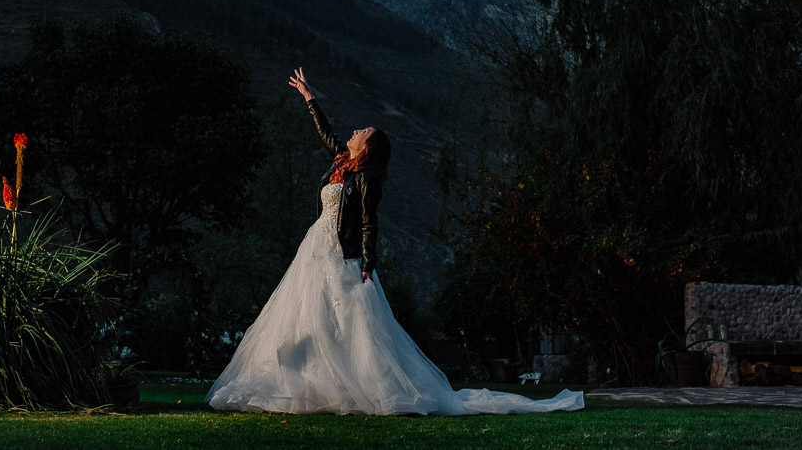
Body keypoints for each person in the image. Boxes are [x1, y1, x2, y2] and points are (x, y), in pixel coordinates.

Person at [205, 68, 584, 415]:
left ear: (368, 148)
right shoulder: (341, 162)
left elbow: (370, 223)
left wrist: (368, 263)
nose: (354, 133)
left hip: (342, 255)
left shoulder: (366, 178)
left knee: (346, 323)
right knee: (310, 317)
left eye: (362, 133)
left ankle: (354, 386)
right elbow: (327, 132)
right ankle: (307, 382)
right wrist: (308, 97)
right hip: (314, 250)